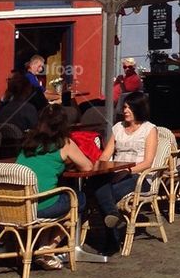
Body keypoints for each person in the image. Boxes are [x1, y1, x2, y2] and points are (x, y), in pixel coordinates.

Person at [15, 104, 93, 268]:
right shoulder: (64, 143)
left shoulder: (28, 142)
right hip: (41, 207)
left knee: (54, 196)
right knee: (78, 198)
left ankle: (42, 243)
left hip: (19, 206)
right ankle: (50, 248)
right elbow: (88, 167)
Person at [88, 90, 158, 249]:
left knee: (103, 192)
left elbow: (148, 162)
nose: (125, 111)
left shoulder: (149, 129)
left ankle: (111, 238)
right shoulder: (118, 127)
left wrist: (127, 171)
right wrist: (97, 167)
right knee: (96, 183)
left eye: (129, 108)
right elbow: (106, 155)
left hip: (138, 176)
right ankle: (113, 217)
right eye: (125, 107)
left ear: (139, 109)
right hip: (116, 173)